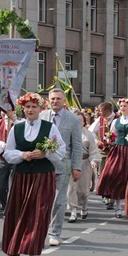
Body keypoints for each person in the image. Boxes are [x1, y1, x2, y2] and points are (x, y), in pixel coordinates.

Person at [2, 93, 65, 256]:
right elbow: (8, 152)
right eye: (27, 107)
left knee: (38, 217)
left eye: (34, 107)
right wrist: (23, 155)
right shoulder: (17, 128)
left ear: (40, 109)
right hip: (22, 178)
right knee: (22, 216)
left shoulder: (50, 127)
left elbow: (61, 151)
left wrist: (45, 153)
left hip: (42, 177)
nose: (30, 110)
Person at [39, 88, 83, 246]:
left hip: (62, 165)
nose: (55, 101)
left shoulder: (73, 120)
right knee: (41, 199)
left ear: (64, 101)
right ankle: (40, 230)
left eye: (58, 99)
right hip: (42, 165)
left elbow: (77, 145)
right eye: (52, 99)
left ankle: (54, 232)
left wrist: (77, 167)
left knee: (59, 200)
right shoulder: (42, 116)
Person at [96, 98, 128, 218]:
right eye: (121, 106)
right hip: (117, 151)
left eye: (125, 106)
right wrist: (108, 139)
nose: (123, 108)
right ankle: (118, 206)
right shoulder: (116, 121)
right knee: (113, 175)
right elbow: (112, 134)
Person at [67, 112, 100, 222]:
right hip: (71, 163)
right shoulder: (68, 132)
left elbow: (93, 150)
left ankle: (84, 206)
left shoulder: (88, 134)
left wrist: (94, 160)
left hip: (84, 163)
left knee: (83, 191)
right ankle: (73, 211)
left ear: (83, 121)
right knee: (71, 188)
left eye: (80, 120)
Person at [89, 101, 116, 210]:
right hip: (103, 151)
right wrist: (96, 141)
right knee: (103, 173)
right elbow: (91, 131)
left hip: (116, 150)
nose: (99, 113)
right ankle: (105, 192)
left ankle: (111, 199)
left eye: (101, 111)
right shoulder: (99, 120)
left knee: (113, 174)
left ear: (107, 111)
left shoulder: (117, 119)